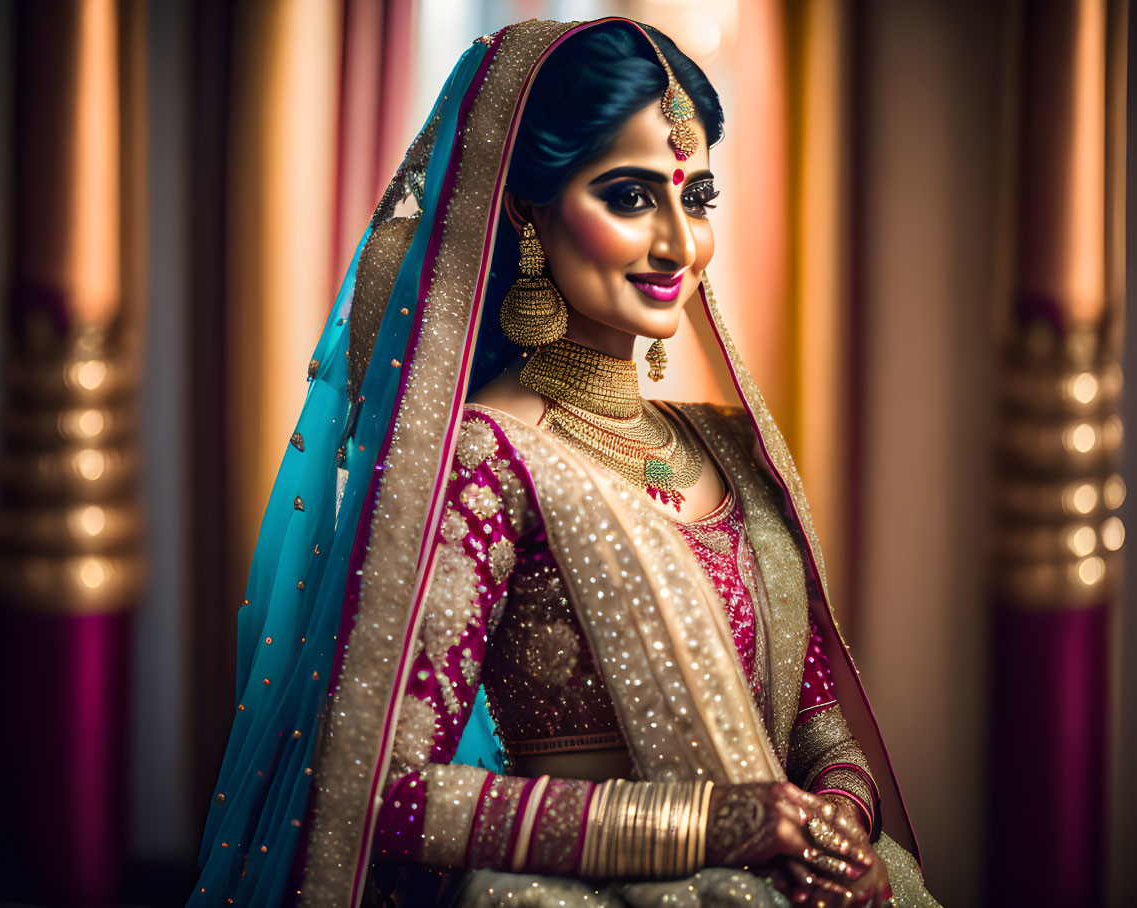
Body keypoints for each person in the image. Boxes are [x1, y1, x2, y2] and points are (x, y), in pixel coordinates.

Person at [189, 18, 939, 907]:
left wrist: (838, 831)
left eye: (693, 197)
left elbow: (817, 723)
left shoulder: (729, 449)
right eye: (628, 196)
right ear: (524, 208)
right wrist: (706, 826)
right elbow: (389, 795)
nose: (677, 243)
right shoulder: (485, 458)